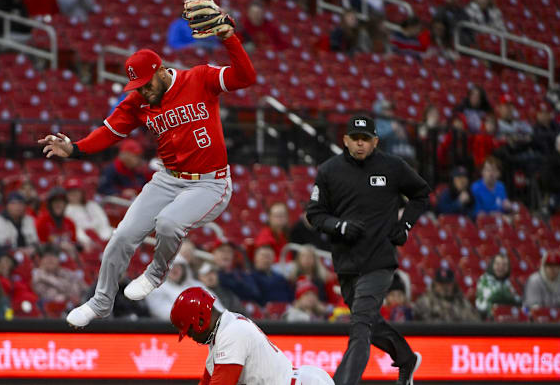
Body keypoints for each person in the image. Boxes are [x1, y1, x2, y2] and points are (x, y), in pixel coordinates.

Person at [39, 11, 256, 327]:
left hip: (210, 183)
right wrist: (75, 148)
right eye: (135, 85)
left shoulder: (198, 78)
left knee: (168, 223)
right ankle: (101, 302)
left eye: (144, 83)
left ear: (161, 71)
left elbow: (246, 77)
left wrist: (228, 38)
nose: (141, 90)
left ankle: (155, 274)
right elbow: (109, 132)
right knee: (122, 236)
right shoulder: (138, 101)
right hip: (168, 178)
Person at [306, 114, 429, 385]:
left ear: (375, 141)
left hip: (380, 260)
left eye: (366, 139)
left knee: (360, 326)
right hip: (347, 262)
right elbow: (314, 214)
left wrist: (405, 224)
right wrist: (339, 226)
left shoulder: (393, 166)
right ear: (345, 140)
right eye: (355, 139)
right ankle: (406, 358)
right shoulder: (329, 170)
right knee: (370, 324)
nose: (360, 144)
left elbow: (421, 194)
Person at [169, 287, 334, 385]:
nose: (191, 337)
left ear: (200, 319)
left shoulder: (231, 333)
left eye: (189, 331)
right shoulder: (225, 329)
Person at [0, 192, 40, 268]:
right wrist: (15, 251)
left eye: (20, 203)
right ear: (7, 206)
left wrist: (31, 249)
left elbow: (35, 242)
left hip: (28, 257)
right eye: (14, 203)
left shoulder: (29, 220)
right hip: (5, 258)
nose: (17, 207)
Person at [146, 255, 204, 321]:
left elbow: (214, 305)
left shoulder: (195, 285)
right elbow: (160, 311)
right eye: (171, 267)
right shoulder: (156, 287)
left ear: (184, 270)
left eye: (178, 267)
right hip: (169, 328)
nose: (175, 269)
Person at [413, 266, 479, 323]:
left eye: (447, 283)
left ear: (453, 284)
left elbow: (475, 323)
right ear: (435, 283)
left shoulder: (463, 302)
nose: (444, 286)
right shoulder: (425, 301)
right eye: (441, 283)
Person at [63, 177, 112, 249]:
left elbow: (104, 223)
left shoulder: (92, 205)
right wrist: (87, 241)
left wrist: (104, 239)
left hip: (102, 237)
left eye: (76, 191)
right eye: (70, 191)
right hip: (84, 243)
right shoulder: (66, 210)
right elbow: (75, 230)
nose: (74, 194)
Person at [35, 187, 79, 259]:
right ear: (50, 204)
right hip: (49, 259)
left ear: (65, 204)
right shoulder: (42, 221)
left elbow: (74, 244)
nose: (58, 204)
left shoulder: (70, 223)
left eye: (61, 202)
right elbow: (40, 247)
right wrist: (59, 246)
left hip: (68, 260)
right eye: (55, 202)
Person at [475, 254, 521, 319]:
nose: (501, 267)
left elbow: (517, 300)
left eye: (504, 265)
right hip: (487, 319)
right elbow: (491, 298)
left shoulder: (508, 282)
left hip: (507, 318)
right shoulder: (484, 280)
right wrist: (508, 296)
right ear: (492, 265)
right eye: (497, 264)